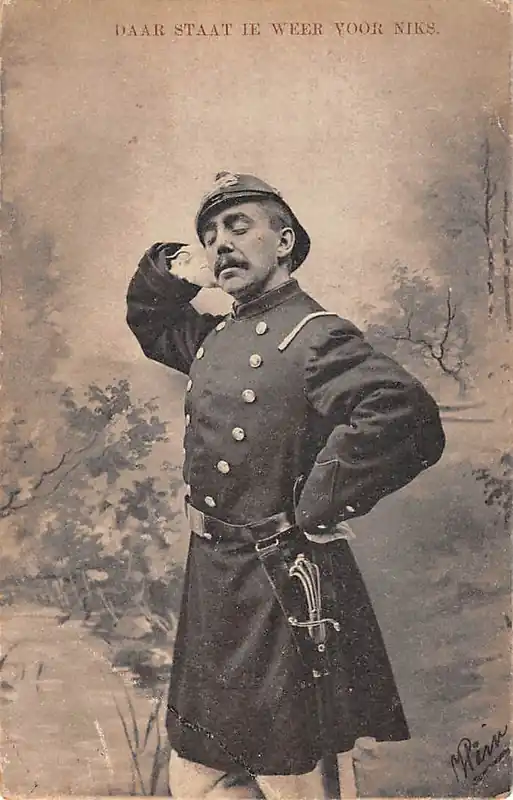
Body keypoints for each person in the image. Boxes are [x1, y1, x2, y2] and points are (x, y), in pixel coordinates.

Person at [126, 172, 446, 799]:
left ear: (284, 242)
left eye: (238, 227)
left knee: (293, 771)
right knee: (198, 769)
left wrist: (319, 503)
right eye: (211, 235)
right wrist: (179, 268)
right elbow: (150, 319)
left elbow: (404, 413)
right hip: (213, 578)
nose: (221, 244)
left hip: (282, 578)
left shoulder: (315, 334)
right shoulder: (214, 336)